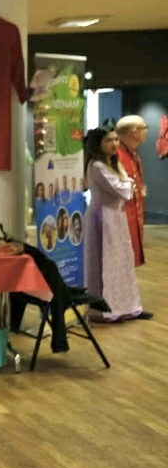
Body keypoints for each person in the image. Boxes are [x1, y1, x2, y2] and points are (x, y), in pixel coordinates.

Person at [83, 127, 145, 322]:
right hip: (102, 217)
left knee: (121, 262)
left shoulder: (114, 164)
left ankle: (125, 305)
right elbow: (123, 190)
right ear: (98, 144)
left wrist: (128, 184)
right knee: (105, 263)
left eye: (115, 140)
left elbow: (127, 184)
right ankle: (104, 308)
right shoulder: (96, 166)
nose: (114, 144)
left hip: (116, 217)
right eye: (108, 140)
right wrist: (129, 184)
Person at [116, 115, 149, 270]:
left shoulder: (133, 154)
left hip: (134, 215)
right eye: (144, 128)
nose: (146, 132)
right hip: (120, 218)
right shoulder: (116, 156)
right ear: (134, 132)